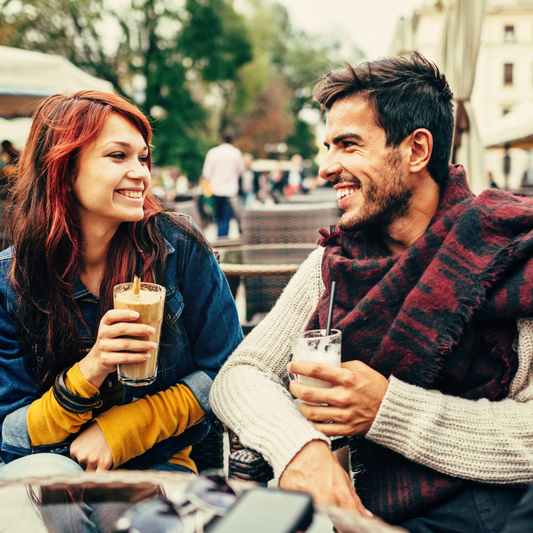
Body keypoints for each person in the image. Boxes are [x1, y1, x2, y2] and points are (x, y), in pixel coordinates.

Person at [210, 52, 533, 531]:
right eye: (328, 146)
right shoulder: (336, 260)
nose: (326, 167)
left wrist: (387, 408)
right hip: (350, 510)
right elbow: (240, 373)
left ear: (417, 150)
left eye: (347, 145)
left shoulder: (508, 253)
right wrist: (303, 451)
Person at [0, 91, 242, 524]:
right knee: (44, 496)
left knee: (136, 516)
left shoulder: (176, 248)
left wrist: (122, 430)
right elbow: (9, 428)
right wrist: (90, 370)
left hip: (159, 462)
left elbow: (228, 368)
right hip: (48, 462)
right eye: (118, 156)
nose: (141, 174)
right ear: (62, 168)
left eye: (143, 158)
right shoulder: (11, 281)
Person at [201, 133, 244, 239]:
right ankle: (223, 240)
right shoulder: (236, 153)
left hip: (216, 190)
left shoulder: (213, 152)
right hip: (230, 191)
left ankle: (221, 239)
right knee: (226, 218)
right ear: (233, 141)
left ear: (221, 140)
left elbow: (206, 173)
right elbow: (241, 172)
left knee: (218, 217)